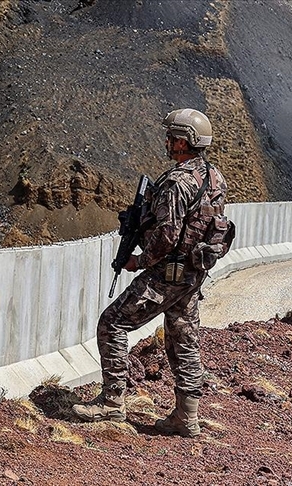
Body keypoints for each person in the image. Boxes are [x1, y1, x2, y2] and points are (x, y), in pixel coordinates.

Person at [72, 108, 232, 437]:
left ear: (186, 142)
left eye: (173, 138)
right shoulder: (213, 176)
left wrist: (139, 261)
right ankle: (186, 417)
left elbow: (168, 235)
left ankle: (112, 403)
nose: (168, 142)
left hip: (168, 274)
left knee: (113, 323)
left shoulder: (177, 183)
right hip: (193, 274)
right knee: (183, 340)